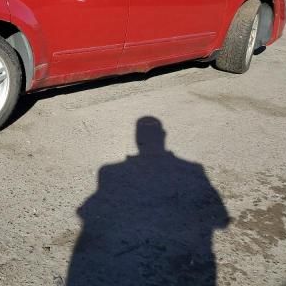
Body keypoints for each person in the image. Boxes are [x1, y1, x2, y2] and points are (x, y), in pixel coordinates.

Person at [67, 116, 230, 285]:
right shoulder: (193, 169)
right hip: (182, 261)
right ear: (163, 135)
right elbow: (221, 219)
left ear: (137, 138)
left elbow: (88, 211)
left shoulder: (109, 172)